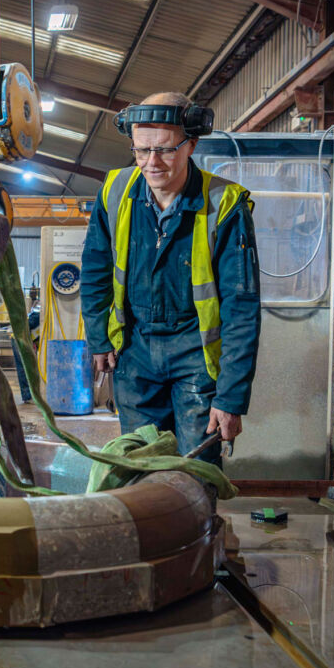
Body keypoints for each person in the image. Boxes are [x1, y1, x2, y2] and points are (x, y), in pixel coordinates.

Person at [80, 92, 261, 464]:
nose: (151, 163)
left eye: (164, 150)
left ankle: (199, 524)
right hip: (135, 352)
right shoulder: (115, 191)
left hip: (196, 355)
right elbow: (96, 270)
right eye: (141, 150)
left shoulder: (224, 204)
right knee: (141, 466)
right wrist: (99, 338)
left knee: (195, 469)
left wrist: (230, 397)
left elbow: (242, 308)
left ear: (191, 143)